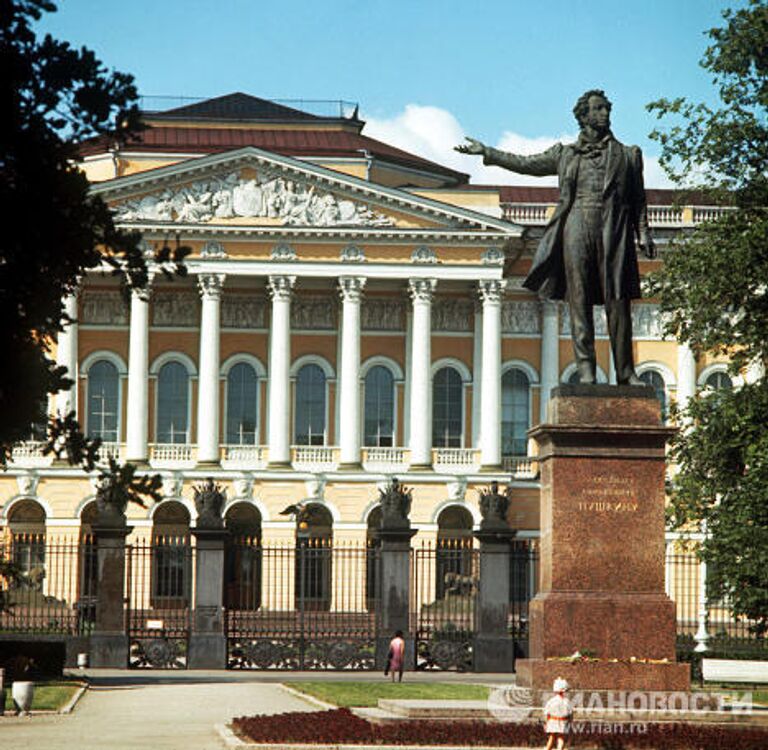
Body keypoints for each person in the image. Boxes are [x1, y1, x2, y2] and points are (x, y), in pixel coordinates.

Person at [456, 90, 656, 386]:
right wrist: (488, 151)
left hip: (614, 229)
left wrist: (644, 232)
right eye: (598, 109)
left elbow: (638, 200)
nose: (605, 114)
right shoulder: (565, 154)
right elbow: (525, 163)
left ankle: (625, 372)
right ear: (584, 116)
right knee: (579, 300)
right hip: (576, 226)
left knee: (618, 301)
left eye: (607, 109)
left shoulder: (628, 155)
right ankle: (586, 370)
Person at [543, 677, 573, 750]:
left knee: (551, 738)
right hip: (563, 721)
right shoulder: (567, 702)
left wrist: (546, 723)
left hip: (552, 721)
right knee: (561, 738)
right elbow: (570, 714)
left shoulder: (551, 701)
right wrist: (570, 722)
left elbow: (547, 713)